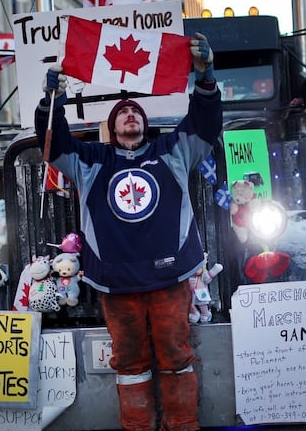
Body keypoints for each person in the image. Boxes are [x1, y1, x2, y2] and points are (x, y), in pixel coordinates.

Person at [35, 33, 221, 431]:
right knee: (131, 364)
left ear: (146, 123)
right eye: (123, 112)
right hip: (117, 284)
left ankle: (183, 426)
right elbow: (52, 145)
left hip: (169, 278)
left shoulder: (171, 151)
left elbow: (204, 127)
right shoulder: (90, 161)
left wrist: (205, 79)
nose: (130, 116)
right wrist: (51, 101)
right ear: (112, 124)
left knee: (176, 356)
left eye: (136, 112)